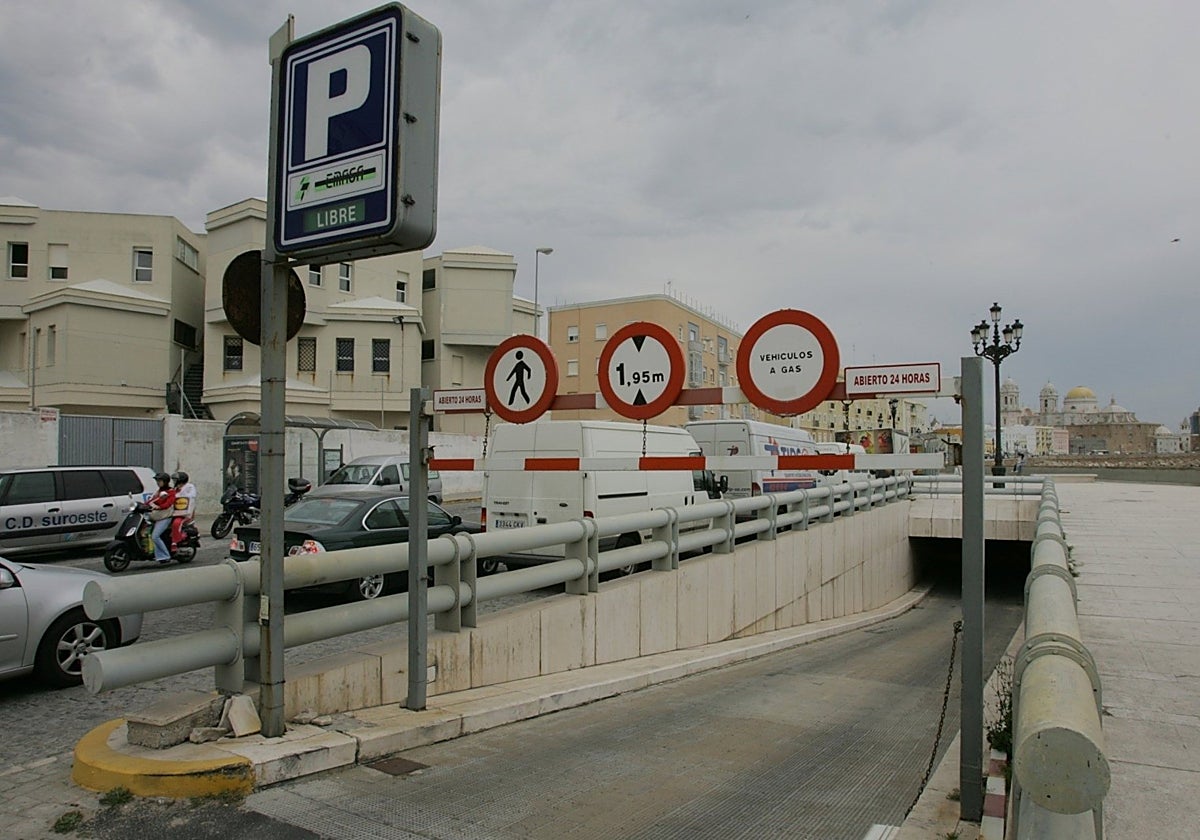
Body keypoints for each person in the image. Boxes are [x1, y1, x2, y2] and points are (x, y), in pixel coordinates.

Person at [147, 472, 177, 564]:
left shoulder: (170, 492)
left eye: (159, 481)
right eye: (157, 481)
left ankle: (165, 556)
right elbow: (152, 501)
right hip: (156, 516)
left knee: (155, 536)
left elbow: (168, 503)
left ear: (165, 481)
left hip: (164, 517)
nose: (158, 482)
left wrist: (159, 507)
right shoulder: (159, 491)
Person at [170, 470, 198, 550]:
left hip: (184, 513)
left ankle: (175, 542)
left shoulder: (189, 487)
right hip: (174, 512)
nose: (174, 481)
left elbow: (190, 497)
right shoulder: (175, 489)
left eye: (175, 480)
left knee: (176, 523)